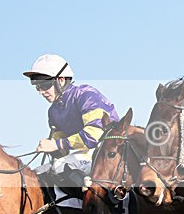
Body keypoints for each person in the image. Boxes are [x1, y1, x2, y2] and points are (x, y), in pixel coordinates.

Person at [23, 54, 119, 192]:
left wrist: (55, 145)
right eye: (37, 87)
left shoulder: (86, 95)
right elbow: (61, 149)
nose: (41, 92)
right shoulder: (53, 111)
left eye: (45, 85)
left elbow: (94, 135)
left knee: (61, 167)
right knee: (37, 174)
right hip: (82, 156)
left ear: (61, 80)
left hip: (106, 154)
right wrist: (52, 148)